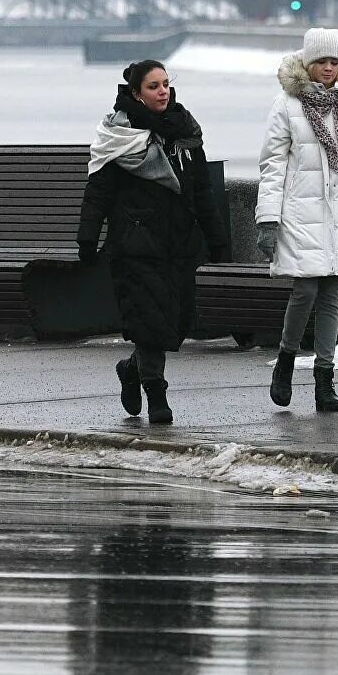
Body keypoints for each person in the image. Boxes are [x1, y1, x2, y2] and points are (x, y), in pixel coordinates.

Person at [78, 60, 229, 425]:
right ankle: (156, 394)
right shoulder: (119, 137)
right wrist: (87, 238)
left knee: (173, 322)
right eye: (153, 86)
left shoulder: (185, 132)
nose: (162, 91)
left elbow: (202, 192)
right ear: (135, 93)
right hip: (134, 245)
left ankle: (130, 369)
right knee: (149, 322)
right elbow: (97, 193)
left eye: (165, 84)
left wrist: (218, 240)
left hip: (179, 243)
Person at [254, 27, 338, 414]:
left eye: (335, 61)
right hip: (298, 211)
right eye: (321, 61)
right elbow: (273, 165)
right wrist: (268, 219)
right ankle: (287, 359)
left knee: (330, 295)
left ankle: (325, 380)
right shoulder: (286, 105)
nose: (328, 68)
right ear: (307, 63)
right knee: (305, 290)